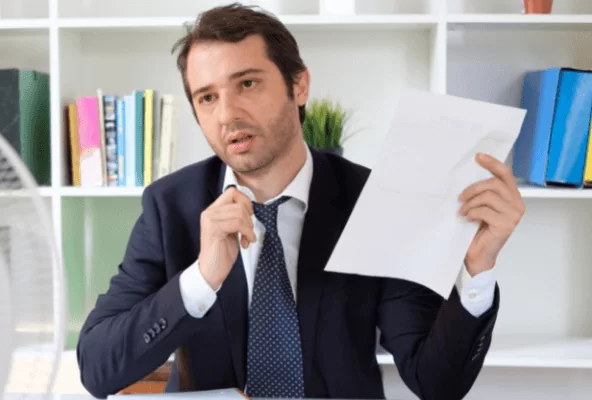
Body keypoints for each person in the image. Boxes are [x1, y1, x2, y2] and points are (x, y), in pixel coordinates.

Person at [76, 3, 525, 399]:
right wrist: (201, 279)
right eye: (208, 97)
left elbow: (436, 383)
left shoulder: (370, 201)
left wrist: (477, 267)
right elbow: (97, 370)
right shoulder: (169, 206)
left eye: (247, 83)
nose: (228, 114)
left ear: (299, 85)